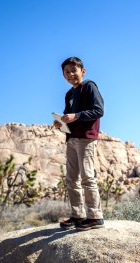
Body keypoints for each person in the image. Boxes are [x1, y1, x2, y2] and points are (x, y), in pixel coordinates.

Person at [53, 56, 105, 231]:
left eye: (73, 71)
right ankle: (78, 215)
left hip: (86, 138)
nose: (70, 75)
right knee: (71, 179)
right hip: (72, 139)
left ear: (83, 71)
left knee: (87, 177)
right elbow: (68, 116)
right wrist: (61, 123)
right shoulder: (69, 94)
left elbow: (99, 110)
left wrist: (76, 116)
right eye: (66, 72)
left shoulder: (89, 87)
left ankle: (95, 217)